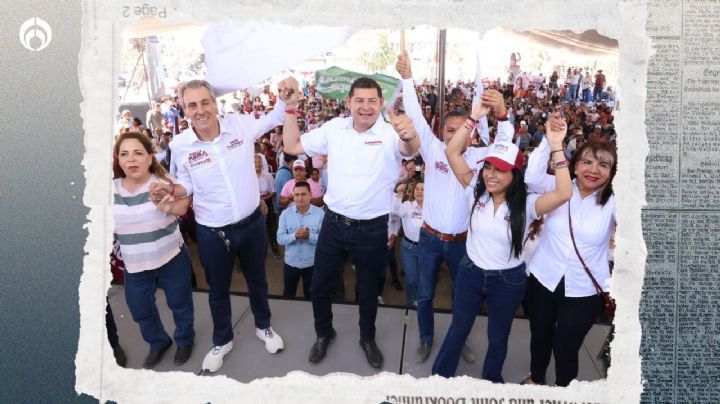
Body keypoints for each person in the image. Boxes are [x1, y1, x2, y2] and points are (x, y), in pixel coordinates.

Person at [149, 78, 292, 373]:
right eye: (192, 105)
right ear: (184, 110)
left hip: (252, 225)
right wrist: (171, 191)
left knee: (258, 281)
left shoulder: (239, 124)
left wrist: (285, 96)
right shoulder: (180, 145)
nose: (200, 110)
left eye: (205, 102)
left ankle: (263, 327)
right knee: (217, 290)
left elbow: (276, 117)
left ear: (215, 104)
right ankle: (223, 339)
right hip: (213, 232)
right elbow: (184, 184)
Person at [281, 76, 420, 369]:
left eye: (372, 100)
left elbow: (409, 149)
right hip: (333, 225)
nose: (366, 107)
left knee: (368, 290)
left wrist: (409, 135)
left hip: (371, 228)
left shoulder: (391, 133)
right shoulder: (334, 129)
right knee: (319, 286)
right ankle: (324, 333)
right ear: (348, 103)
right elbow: (292, 144)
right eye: (359, 100)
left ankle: (367, 338)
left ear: (381, 104)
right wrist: (291, 106)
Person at [431, 100, 572, 382]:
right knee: (458, 330)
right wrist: (473, 117)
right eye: (488, 167)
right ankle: (439, 380)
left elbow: (564, 192)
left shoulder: (529, 204)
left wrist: (556, 144)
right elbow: (451, 151)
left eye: (501, 169)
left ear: (515, 174)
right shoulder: (475, 189)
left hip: (507, 281)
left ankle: (491, 384)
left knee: (498, 338)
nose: (491, 175)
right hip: (470, 273)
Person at [395, 51, 514, 364]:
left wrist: (501, 114)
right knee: (424, 294)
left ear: (471, 133)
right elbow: (416, 116)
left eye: (461, 130)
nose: (454, 135)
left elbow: (506, 142)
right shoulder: (433, 150)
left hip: (464, 243)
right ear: (443, 133)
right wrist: (408, 79)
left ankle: (459, 341)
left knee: (464, 299)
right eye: (449, 131)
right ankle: (425, 338)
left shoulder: (480, 159)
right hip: (430, 239)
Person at [521, 134, 617, 387]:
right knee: (539, 336)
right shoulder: (557, 187)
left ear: (611, 172)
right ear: (574, 166)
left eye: (603, 165)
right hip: (543, 279)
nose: (594, 170)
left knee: (566, 348)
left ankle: (566, 390)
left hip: (584, 291)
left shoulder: (614, 203)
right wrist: (551, 143)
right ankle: (536, 376)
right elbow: (531, 177)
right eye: (587, 162)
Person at [112, 131, 195, 369]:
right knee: (140, 309)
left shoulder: (162, 183)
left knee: (180, 304)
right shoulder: (110, 190)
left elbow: (182, 208)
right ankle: (159, 343)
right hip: (135, 266)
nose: (132, 159)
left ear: (150, 157)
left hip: (172, 258)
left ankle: (184, 340)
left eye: (138, 153)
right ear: (118, 159)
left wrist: (167, 204)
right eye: (125, 154)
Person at [276, 181, 325, 298]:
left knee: (312, 295)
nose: (300, 198)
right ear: (293, 196)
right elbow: (280, 239)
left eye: (303, 194)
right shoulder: (285, 214)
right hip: (291, 264)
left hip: (312, 264)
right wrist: (294, 236)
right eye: (296, 195)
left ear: (310, 195)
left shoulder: (320, 214)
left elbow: (325, 240)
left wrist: (310, 236)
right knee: (288, 294)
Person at [391, 180, 425, 306]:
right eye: (417, 189)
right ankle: (411, 303)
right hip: (409, 248)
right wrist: (399, 195)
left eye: (422, 189)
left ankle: (422, 302)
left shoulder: (433, 207)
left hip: (427, 249)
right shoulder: (408, 205)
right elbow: (396, 212)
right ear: (413, 191)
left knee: (423, 280)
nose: (419, 191)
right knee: (411, 280)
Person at [255, 154, 280, 258]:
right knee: (255, 228)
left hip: (267, 201)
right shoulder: (248, 176)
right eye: (255, 162)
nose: (257, 164)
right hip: (254, 204)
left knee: (271, 227)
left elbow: (273, 192)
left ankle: (275, 248)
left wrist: (263, 199)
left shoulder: (267, 175)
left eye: (259, 162)